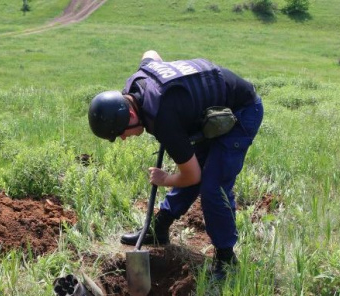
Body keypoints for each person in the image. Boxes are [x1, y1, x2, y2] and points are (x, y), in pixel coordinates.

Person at [88, 50, 263, 280]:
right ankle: (159, 229)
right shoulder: (136, 84)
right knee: (193, 164)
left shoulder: (164, 119)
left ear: (130, 113)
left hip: (241, 111)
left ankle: (226, 258)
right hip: (207, 112)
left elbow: (191, 176)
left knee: (212, 184)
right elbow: (150, 53)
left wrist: (165, 179)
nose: (123, 138)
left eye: (121, 132)